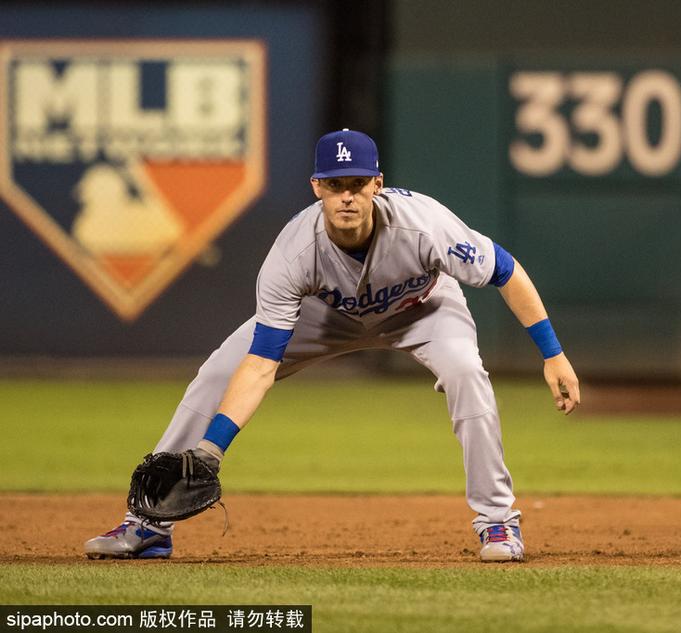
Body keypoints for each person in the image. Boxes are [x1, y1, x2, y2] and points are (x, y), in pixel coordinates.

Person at [84, 129, 580, 563]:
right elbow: (260, 365)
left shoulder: (424, 224)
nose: (347, 196)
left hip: (422, 308)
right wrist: (212, 450)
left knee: (466, 372)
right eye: (336, 185)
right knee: (218, 372)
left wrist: (552, 353)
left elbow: (506, 271)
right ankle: (149, 525)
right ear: (317, 187)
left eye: (358, 184)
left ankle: (498, 521)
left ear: (376, 185)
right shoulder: (292, 253)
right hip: (325, 316)